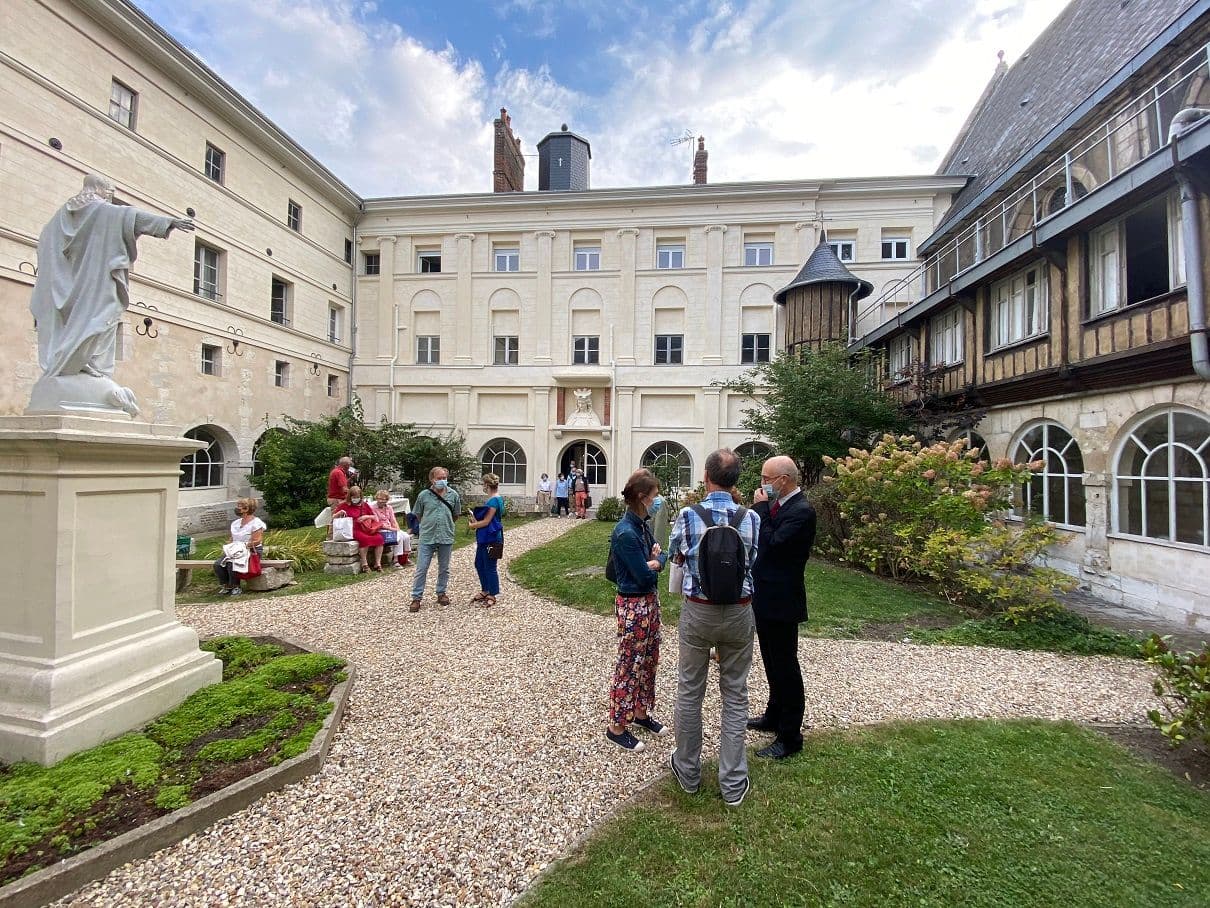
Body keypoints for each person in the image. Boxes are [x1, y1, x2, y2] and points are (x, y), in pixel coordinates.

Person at [28, 174, 194, 417]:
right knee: (102, 317)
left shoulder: (60, 218)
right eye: (109, 190)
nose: (109, 195)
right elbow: (130, 216)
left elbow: (47, 243)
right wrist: (168, 222)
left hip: (67, 284)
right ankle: (83, 364)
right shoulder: (100, 210)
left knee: (90, 322)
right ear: (99, 189)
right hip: (96, 281)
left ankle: (83, 365)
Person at [667, 448, 761, 807]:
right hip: (739, 611)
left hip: (699, 611)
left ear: (706, 477)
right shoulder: (750, 518)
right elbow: (751, 561)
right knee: (735, 695)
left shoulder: (689, 515)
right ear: (737, 480)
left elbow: (676, 553)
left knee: (690, 690)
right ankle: (733, 783)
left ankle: (688, 772)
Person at [748, 456, 817, 760]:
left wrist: (761, 510)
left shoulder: (801, 511)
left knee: (786, 667)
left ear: (784, 480)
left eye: (766, 478)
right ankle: (773, 715)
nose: (763, 483)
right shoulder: (782, 506)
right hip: (765, 596)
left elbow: (773, 544)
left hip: (783, 599)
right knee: (771, 662)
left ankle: (790, 736)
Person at [605, 468, 669, 752]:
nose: (657, 500)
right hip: (633, 604)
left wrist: (655, 560)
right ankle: (616, 725)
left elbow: (653, 559)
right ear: (642, 498)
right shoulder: (625, 532)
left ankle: (641, 713)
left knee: (649, 660)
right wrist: (658, 562)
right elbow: (644, 575)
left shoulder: (641, 526)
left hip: (649, 603)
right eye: (654, 496)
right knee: (629, 664)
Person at [410, 466, 462, 612]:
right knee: (421, 568)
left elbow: (456, 515)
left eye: (444, 478)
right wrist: (427, 524)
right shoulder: (423, 495)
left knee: (444, 568)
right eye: (439, 478)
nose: (442, 481)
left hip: (446, 535)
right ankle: (416, 597)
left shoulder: (453, 495)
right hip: (427, 536)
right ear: (432, 479)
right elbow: (418, 514)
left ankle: (441, 593)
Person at [213, 497, 266, 596]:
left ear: (247, 509)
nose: (237, 508)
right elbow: (232, 539)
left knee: (231, 563)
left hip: (250, 550)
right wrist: (228, 547)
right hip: (235, 550)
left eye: (240, 506)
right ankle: (226, 585)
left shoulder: (256, 523)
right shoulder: (235, 523)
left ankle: (236, 586)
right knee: (218, 564)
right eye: (238, 506)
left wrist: (243, 546)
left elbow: (257, 540)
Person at [468, 473, 505, 607]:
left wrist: (473, 525)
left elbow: (486, 521)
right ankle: (485, 589)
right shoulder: (495, 498)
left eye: (483, 484)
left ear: (487, 485)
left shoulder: (493, 500)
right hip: (486, 537)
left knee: (490, 566)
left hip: (492, 537)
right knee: (479, 563)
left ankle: (492, 593)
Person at [334, 485, 384, 572]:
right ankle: (365, 564)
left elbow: (374, 517)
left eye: (357, 497)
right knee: (365, 540)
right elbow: (333, 517)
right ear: (350, 496)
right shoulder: (344, 505)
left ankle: (378, 563)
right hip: (353, 529)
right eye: (354, 497)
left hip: (365, 527)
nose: (355, 499)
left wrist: (366, 517)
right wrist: (339, 513)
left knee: (379, 538)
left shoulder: (364, 505)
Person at [371, 489, 409, 568]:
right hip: (380, 530)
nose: (381, 501)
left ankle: (404, 558)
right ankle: (395, 560)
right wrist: (393, 530)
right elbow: (378, 523)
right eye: (379, 499)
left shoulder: (389, 508)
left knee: (406, 536)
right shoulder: (373, 508)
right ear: (376, 498)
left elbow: (393, 520)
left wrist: (397, 529)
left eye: (383, 499)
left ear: (387, 500)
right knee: (398, 537)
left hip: (390, 528)